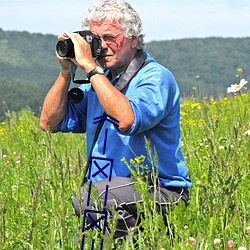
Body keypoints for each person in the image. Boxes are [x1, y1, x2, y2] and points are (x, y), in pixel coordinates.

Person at [40, 0, 192, 240]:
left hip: (159, 191)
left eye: (110, 37)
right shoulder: (101, 82)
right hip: (105, 195)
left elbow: (128, 120)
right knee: (92, 242)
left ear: (133, 39)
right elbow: (49, 123)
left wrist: (90, 68)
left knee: (89, 199)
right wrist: (66, 70)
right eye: (96, 39)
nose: (102, 47)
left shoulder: (154, 77)